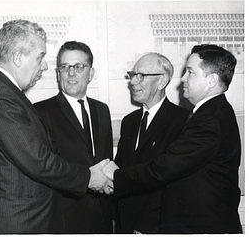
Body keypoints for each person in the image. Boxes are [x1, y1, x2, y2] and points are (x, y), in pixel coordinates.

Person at [0, 20, 112, 234]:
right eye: (40, 57)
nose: (44, 66)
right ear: (18, 58)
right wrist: (89, 177)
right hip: (15, 223)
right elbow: (38, 160)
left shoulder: (1, 90)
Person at [104, 44, 242, 234]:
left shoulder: (209, 119)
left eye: (190, 73)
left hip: (203, 228)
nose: (182, 79)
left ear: (211, 80)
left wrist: (116, 176)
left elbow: (165, 167)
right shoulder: (212, 113)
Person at [34, 41, 113, 234]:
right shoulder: (41, 111)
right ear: (58, 73)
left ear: (91, 73)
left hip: (102, 216)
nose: (71, 73)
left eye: (79, 67)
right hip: (64, 219)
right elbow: (48, 168)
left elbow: (106, 160)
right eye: (65, 67)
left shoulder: (102, 110)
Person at [113, 53, 190, 233]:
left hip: (155, 227)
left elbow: (170, 183)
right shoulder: (129, 122)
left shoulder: (181, 121)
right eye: (132, 75)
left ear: (162, 81)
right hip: (125, 224)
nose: (132, 82)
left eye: (141, 76)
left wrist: (146, 227)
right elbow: (122, 170)